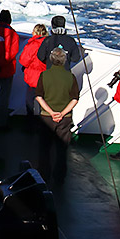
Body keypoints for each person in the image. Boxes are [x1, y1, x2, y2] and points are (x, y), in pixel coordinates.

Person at [35, 48, 79, 182]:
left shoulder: (44, 75)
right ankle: (59, 177)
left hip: (47, 118)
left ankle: (44, 175)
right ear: (64, 60)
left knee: (44, 148)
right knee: (61, 150)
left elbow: (39, 96)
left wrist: (51, 112)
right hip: (64, 119)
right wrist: (62, 113)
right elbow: (74, 99)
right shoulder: (70, 77)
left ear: (51, 59)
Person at [18, 24, 48, 116]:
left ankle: (31, 122)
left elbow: (23, 60)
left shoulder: (32, 44)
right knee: (44, 100)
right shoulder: (49, 44)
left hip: (33, 78)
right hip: (46, 77)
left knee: (30, 100)